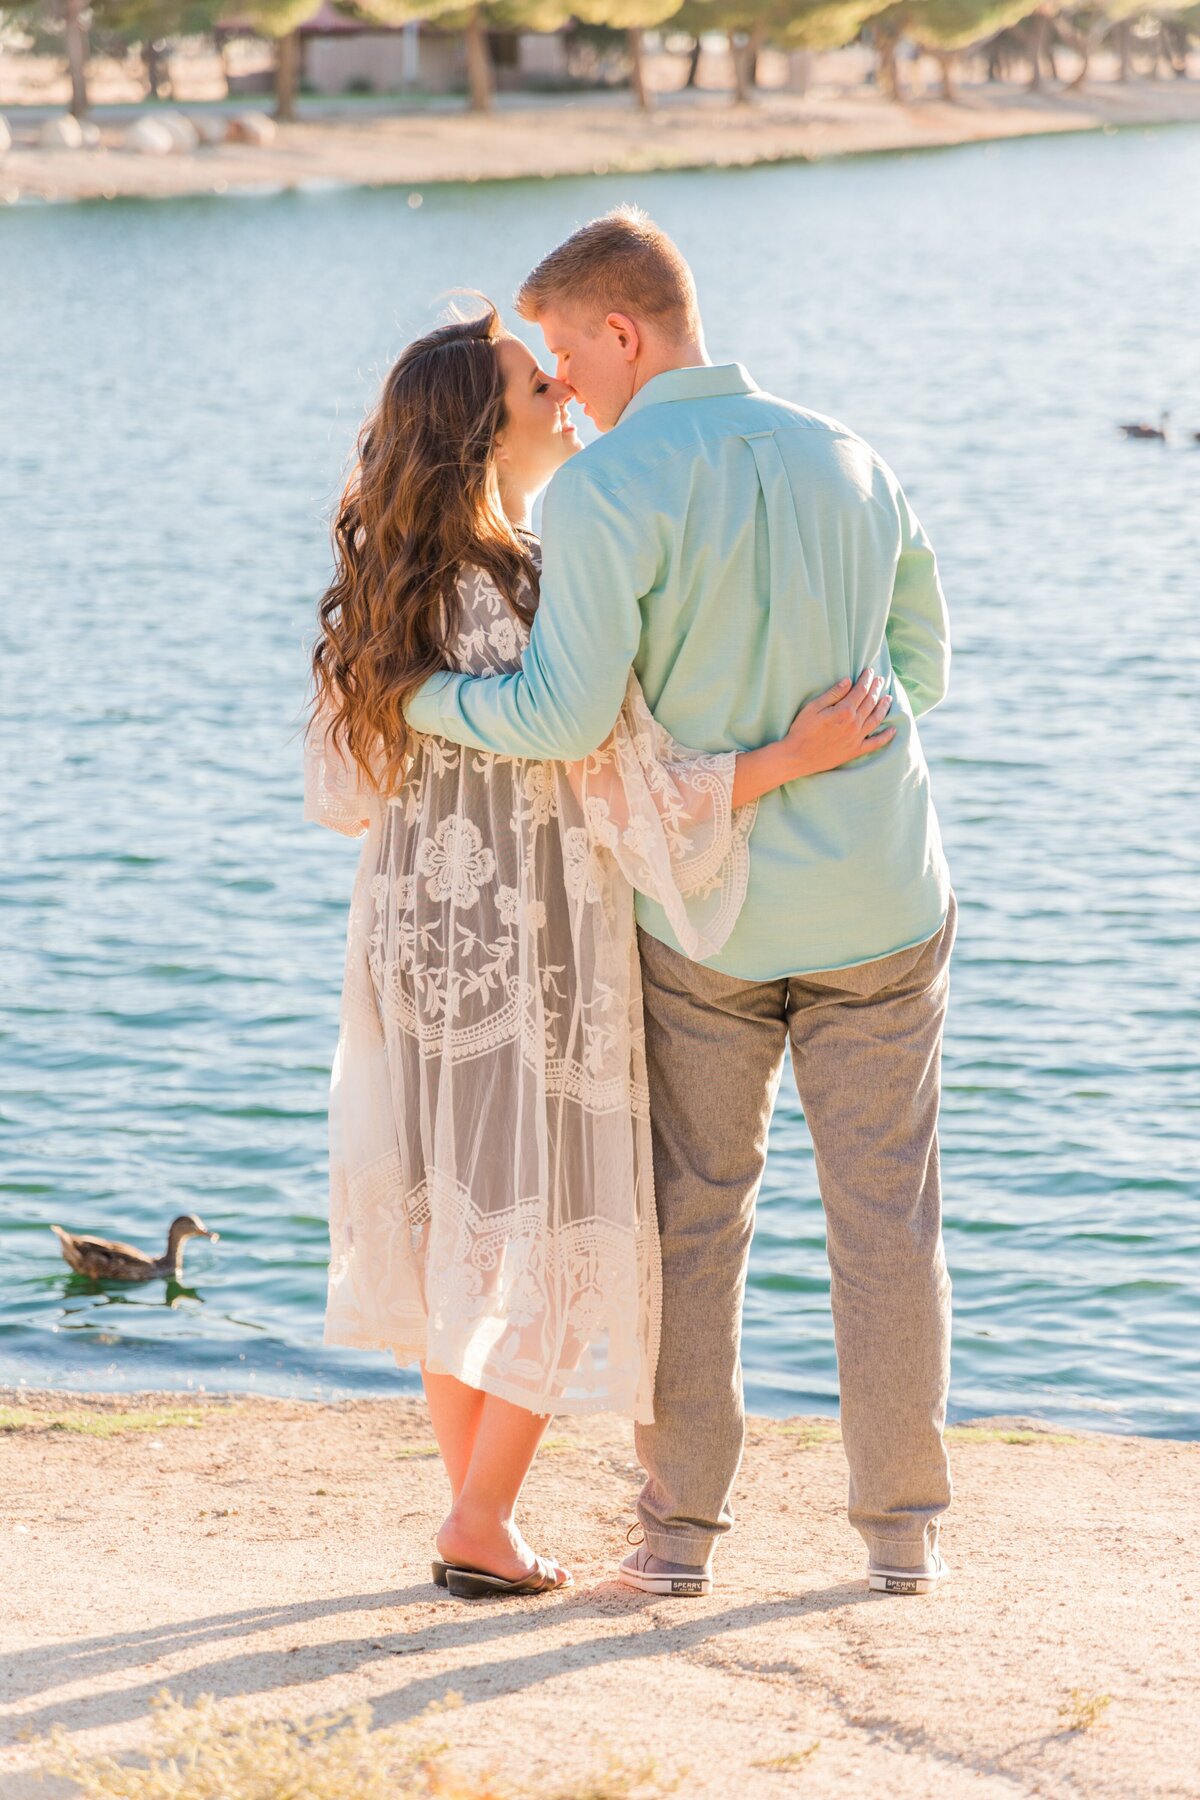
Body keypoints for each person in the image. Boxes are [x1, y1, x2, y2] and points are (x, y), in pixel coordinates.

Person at [403, 211, 956, 1600]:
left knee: (695, 1224)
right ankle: (901, 1544)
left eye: (566, 358)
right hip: (883, 900)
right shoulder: (852, 455)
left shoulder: (604, 493)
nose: (563, 389)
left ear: (623, 335)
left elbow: (562, 712)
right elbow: (925, 670)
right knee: (888, 1224)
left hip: (707, 922)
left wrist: (411, 694)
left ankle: (677, 1544)